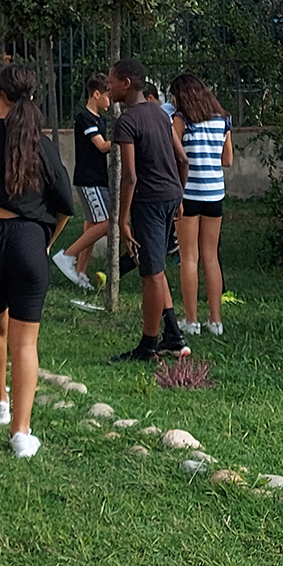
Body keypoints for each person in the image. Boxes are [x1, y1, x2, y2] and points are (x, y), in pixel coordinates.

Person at [0, 65, 73, 458]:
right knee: (26, 343)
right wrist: (45, 241)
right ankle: (22, 434)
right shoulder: (43, 144)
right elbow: (65, 205)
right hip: (29, 242)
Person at [107, 58, 192, 364]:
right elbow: (182, 160)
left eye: (111, 82)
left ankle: (148, 346)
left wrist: (122, 219)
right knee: (155, 265)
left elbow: (129, 176)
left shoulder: (127, 122)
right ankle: (173, 336)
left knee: (151, 274)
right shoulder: (160, 114)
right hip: (169, 197)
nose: (108, 87)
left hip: (149, 201)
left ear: (126, 83)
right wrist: (179, 195)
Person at [168, 73, 233, 337]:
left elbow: (173, 156)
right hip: (215, 194)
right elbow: (227, 160)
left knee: (188, 257)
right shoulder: (223, 120)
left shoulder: (181, 120)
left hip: (188, 194)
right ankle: (215, 321)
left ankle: (191, 320)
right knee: (211, 256)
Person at [52, 73, 112, 290]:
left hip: (99, 178)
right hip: (89, 180)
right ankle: (67, 255)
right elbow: (101, 145)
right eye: (108, 96)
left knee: (92, 226)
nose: (110, 101)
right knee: (107, 223)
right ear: (96, 94)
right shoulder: (84, 118)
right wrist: (125, 139)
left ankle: (80, 272)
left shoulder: (101, 120)